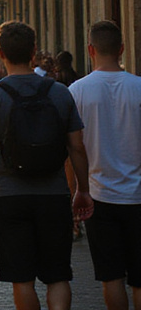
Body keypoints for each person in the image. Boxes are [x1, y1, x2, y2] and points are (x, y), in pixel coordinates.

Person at [0, 20, 93, 310]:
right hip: (53, 195)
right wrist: (83, 190)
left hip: (9, 196)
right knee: (58, 276)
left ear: (0, 52)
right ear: (34, 51)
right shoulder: (60, 92)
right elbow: (76, 146)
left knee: (22, 280)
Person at [69, 20, 141, 310]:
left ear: (90, 50)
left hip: (98, 196)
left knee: (111, 277)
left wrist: (75, 190)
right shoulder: (139, 88)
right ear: (121, 49)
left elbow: (73, 148)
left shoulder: (76, 92)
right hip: (138, 197)